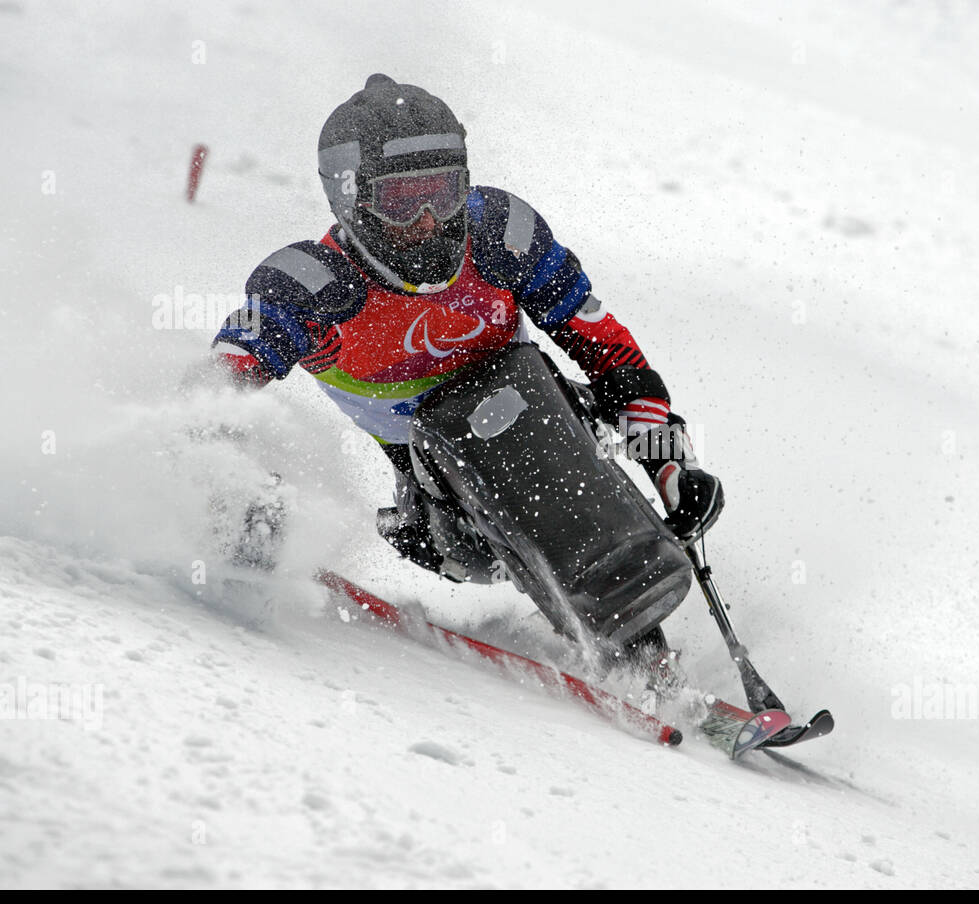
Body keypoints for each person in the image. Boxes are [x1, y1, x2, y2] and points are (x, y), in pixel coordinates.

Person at [206, 74, 723, 659]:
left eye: (443, 193)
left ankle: (631, 620)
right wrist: (236, 496)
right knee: (477, 421)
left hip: (549, 433)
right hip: (444, 511)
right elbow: (214, 393)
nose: (428, 219)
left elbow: (605, 350)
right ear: (352, 199)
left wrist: (668, 459)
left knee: (518, 391)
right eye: (403, 200)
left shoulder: (501, 235)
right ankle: (611, 609)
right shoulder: (313, 285)